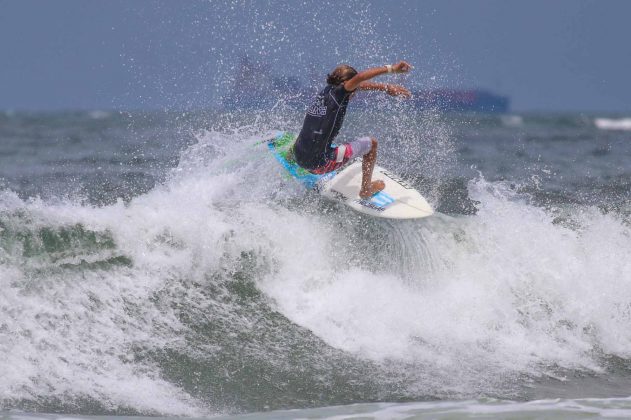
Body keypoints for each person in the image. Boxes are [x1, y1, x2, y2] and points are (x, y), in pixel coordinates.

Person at [293, 61, 412, 199]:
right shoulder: (341, 94)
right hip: (319, 164)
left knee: (314, 134)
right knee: (371, 144)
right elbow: (360, 78)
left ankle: (301, 159)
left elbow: (358, 83)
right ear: (348, 84)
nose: (355, 91)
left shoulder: (326, 92)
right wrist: (391, 69)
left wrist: (385, 87)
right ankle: (366, 190)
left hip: (298, 155)